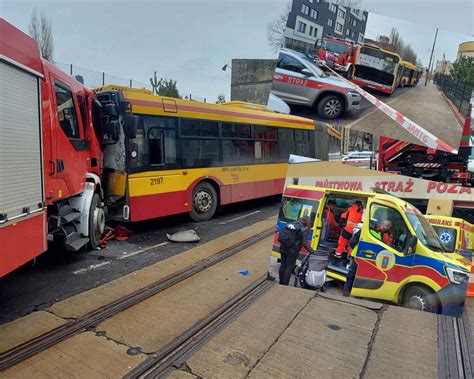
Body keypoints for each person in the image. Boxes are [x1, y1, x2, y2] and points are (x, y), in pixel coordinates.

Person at [278, 216, 314, 286]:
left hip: (283, 247)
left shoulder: (290, 224)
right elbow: (304, 243)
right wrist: (313, 252)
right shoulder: (303, 229)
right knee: (289, 268)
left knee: (283, 265)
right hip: (292, 251)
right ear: (307, 222)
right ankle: (285, 285)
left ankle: (280, 282)